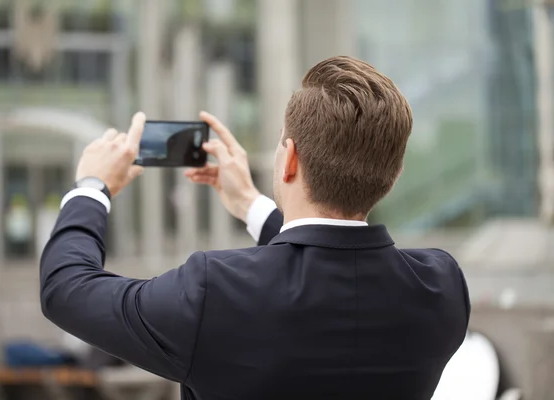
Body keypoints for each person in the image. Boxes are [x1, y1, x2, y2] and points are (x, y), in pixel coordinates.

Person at [40, 56, 470, 400]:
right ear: (392, 176)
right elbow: (328, 267)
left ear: (290, 160)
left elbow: (67, 288)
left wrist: (92, 187)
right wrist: (249, 205)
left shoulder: (215, 291)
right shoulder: (441, 289)